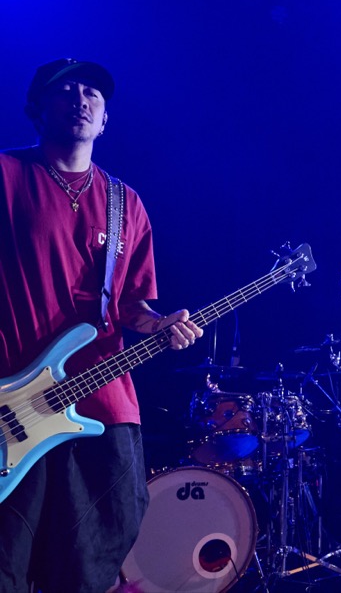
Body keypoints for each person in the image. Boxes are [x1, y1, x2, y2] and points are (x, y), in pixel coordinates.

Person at [0, 58, 203, 592]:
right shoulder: (7, 174)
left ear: (106, 119)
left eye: (92, 93)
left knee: (98, 549)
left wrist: (158, 325)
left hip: (102, 401)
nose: (80, 99)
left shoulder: (124, 203)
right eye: (65, 90)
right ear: (36, 110)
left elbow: (132, 303)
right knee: (7, 555)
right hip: (12, 401)